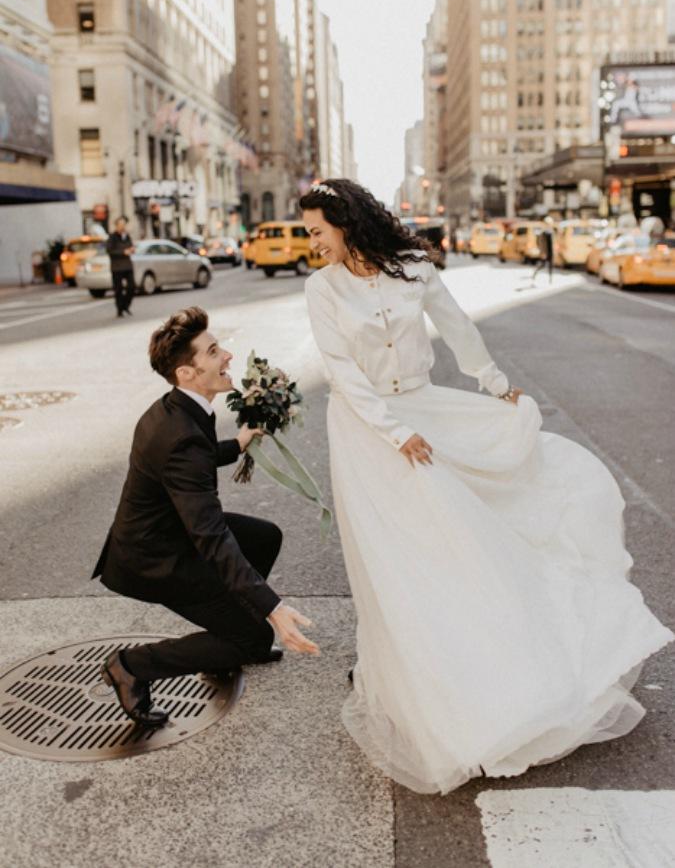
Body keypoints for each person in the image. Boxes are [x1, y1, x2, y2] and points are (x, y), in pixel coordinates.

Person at [299, 178, 673, 795]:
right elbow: (341, 372)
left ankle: (494, 672)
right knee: (398, 556)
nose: (313, 242)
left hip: (427, 409)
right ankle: (411, 677)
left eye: (318, 231)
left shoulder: (414, 266)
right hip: (368, 431)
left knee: (473, 532)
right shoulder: (322, 288)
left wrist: (495, 384)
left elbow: (457, 327)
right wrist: (394, 432)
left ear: (347, 223)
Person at [92, 306, 318, 727]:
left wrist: (238, 443)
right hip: (156, 558)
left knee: (264, 537)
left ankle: (224, 641)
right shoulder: (180, 434)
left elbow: (195, 456)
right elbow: (211, 535)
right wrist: (272, 607)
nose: (227, 355)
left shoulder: (177, 409)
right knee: (253, 638)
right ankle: (132, 666)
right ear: (186, 373)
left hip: (166, 533)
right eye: (213, 352)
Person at [106, 216, 135, 318]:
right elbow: (109, 251)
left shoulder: (127, 236)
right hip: (117, 267)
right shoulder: (112, 237)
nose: (123, 226)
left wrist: (132, 249)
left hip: (127, 266)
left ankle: (125, 305)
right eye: (121, 224)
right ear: (117, 225)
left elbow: (131, 246)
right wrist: (123, 252)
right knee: (118, 289)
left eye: (124, 224)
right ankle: (120, 309)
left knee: (132, 286)